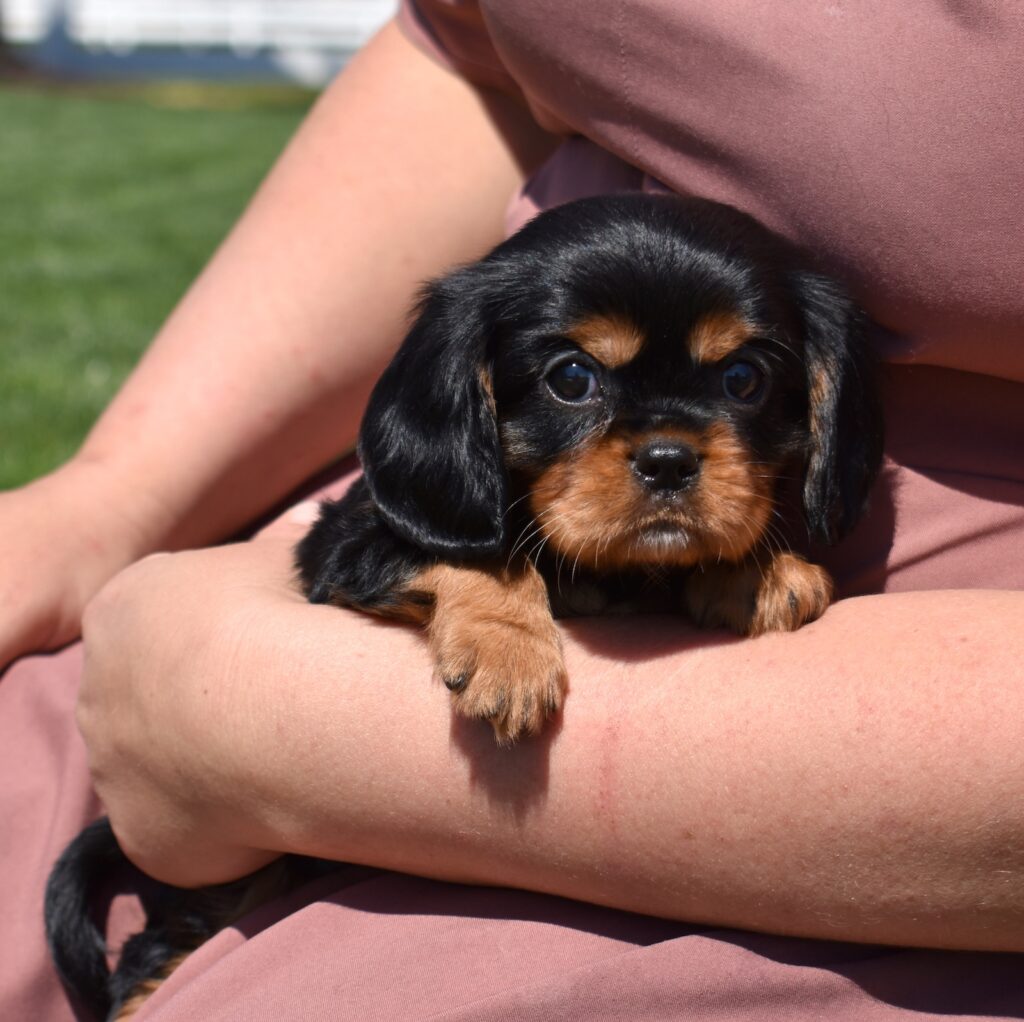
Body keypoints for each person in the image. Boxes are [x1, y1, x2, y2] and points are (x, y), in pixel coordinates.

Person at [2, 2, 1023, 1018]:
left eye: (742, 383)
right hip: (257, 702)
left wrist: (244, 720)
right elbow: (466, 52)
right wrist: (110, 495)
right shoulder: (466, 461)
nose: (665, 447)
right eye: (577, 381)